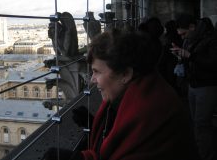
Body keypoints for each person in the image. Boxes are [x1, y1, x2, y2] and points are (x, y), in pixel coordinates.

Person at [44, 29, 196, 160]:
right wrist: (94, 123)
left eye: (97, 71)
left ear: (125, 73)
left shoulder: (149, 113)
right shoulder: (143, 92)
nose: (92, 80)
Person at [172, 15, 217, 160]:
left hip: (206, 86)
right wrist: (182, 56)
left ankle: (206, 156)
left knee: (202, 124)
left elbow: (213, 64)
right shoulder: (193, 39)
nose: (183, 37)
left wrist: (189, 56)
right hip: (194, 85)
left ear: (192, 27)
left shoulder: (211, 38)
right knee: (197, 123)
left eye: (184, 33)